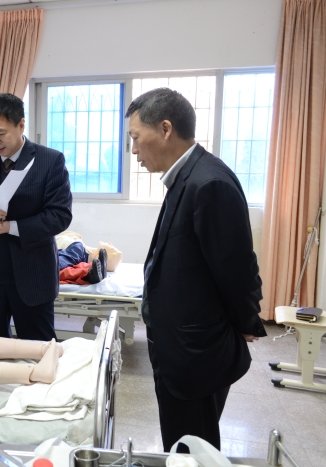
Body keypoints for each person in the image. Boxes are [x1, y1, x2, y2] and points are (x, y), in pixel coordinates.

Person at [126, 88, 266, 452]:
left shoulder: (209, 183)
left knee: (192, 449)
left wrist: (246, 321)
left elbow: (236, 268)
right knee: (183, 445)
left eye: (136, 138)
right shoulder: (186, 177)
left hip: (196, 355)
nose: (133, 150)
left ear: (166, 129)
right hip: (179, 348)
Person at [0, 93, 73, 341]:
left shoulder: (49, 160)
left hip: (34, 273)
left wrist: (11, 226)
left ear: (21, 125)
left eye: (1, 133)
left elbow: (59, 216)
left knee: (38, 346)